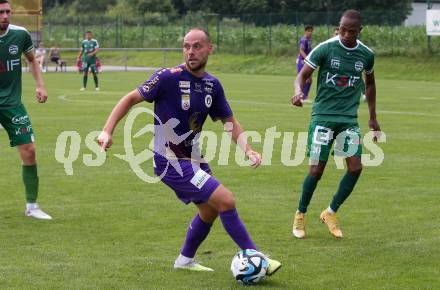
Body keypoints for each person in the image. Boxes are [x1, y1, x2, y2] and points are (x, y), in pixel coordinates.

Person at [97, 28, 282, 274]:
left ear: (209, 49)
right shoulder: (167, 77)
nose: (190, 52)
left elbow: (229, 121)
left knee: (209, 210)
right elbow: (130, 98)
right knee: (226, 200)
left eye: (196, 46)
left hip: (194, 159)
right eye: (186, 46)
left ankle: (184, 260)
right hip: (169, 161)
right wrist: (107, 130)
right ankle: (255, 256)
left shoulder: (212, 85)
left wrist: (247, 149)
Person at [291, 10, 380, 239]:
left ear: (360, 31)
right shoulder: (325, 48)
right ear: (338, 27)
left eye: (352, 31)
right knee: (316, 170)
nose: (347, 34)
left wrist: (372, 117)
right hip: (322, 117)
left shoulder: (366, 55)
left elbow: (369, 85)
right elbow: (302, 75)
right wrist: (298, 92)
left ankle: (330, 212)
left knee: (356, 167)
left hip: (348, 119)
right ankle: (300, 214)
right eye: (343, 29)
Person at [0, 0, 52, 219]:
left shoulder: (20, 35)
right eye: (1, 12)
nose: (5, 16)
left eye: (7, 12)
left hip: (12, 104)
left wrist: (40, 85)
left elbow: (32, 60)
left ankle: (32, 206)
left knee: (29, 150)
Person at [296, 25, 313, 102]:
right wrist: (307, 58)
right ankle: (300, 96)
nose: (310, 33)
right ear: (305, 31)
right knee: (303, 79)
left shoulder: (309, 40)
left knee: (309, 80)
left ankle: (304, 97)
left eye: (311, 31)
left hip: (306, 61)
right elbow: (301, 50)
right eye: (309, 31)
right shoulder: (304, 40)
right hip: (302, 61)